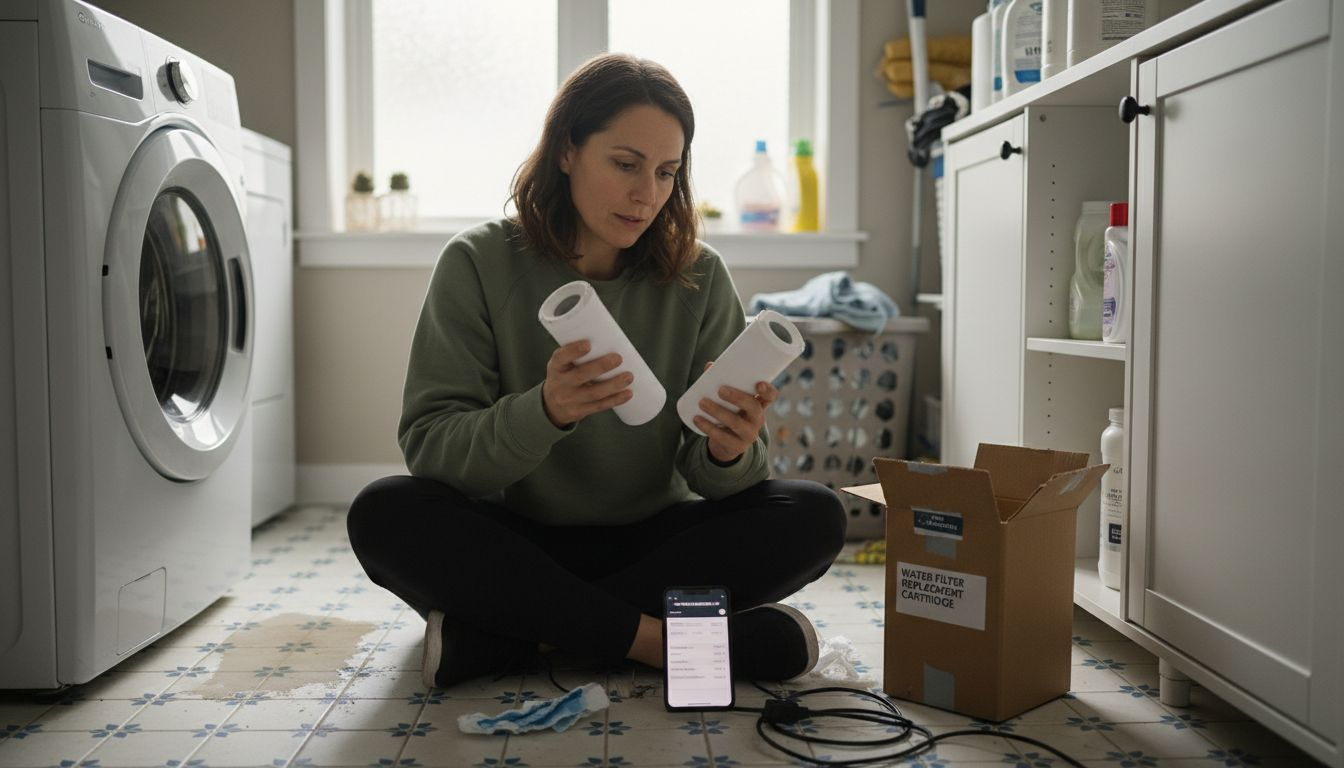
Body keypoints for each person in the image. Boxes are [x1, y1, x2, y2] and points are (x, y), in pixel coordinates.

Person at [346, 53, 846, 689]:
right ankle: (662, 644)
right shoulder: (476, 262)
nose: (648, 194)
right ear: (566, 151)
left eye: (667, 172)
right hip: (521, 540)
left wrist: (728, 452)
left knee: (814, 514)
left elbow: (726, 483)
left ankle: (518, 635)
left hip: (655, 542)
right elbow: (433, 452)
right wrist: (545, 410)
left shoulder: (701, 276)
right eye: (625, 164)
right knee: (384, 511)